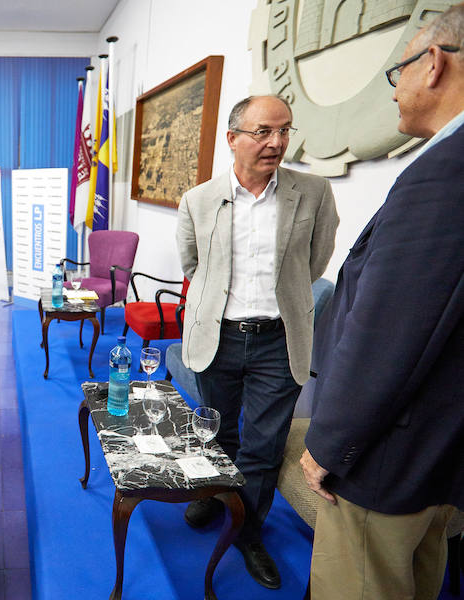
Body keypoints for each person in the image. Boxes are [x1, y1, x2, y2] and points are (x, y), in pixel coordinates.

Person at [301, 6, 464, 599]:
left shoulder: (442, 175)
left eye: (396, 75)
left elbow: (390, 333)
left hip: (389, 461)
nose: (394, 93)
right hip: (440, 454)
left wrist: (327, 445)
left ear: (434, 65)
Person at [176, 94, 339, 589]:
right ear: (233, 139)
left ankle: (247, 534)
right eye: (264, 131)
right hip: (218, 337)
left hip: (278, 340)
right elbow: (192, 267)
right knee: (219, 431)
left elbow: (316, 262)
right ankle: (214, 492)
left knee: (264, 447)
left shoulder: (312, 192)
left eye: (285, 130)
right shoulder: (198, 200)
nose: (277, 142)